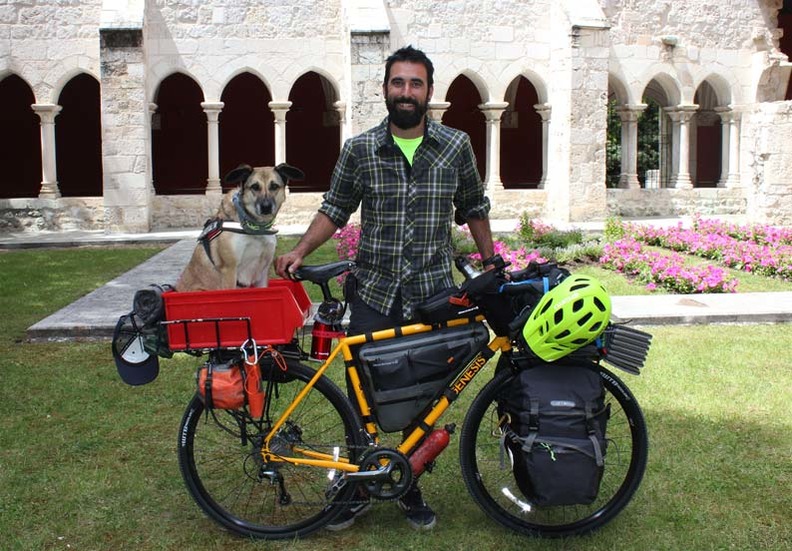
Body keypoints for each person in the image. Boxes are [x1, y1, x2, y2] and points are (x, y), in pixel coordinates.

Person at [275, 45, 495, 531]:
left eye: (416, 83)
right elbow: (334, 209)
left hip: (434, 295)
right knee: (365, 403)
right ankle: (358, 488)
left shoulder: (455, 146)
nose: (406, 92)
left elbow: (474, 207)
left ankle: (407, 485)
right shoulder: (360, 149)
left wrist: (491, 262)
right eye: (398, 83)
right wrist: (299, 252)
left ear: (429, 92)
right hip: (374, 293)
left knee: (425, 399)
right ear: (385, 90)